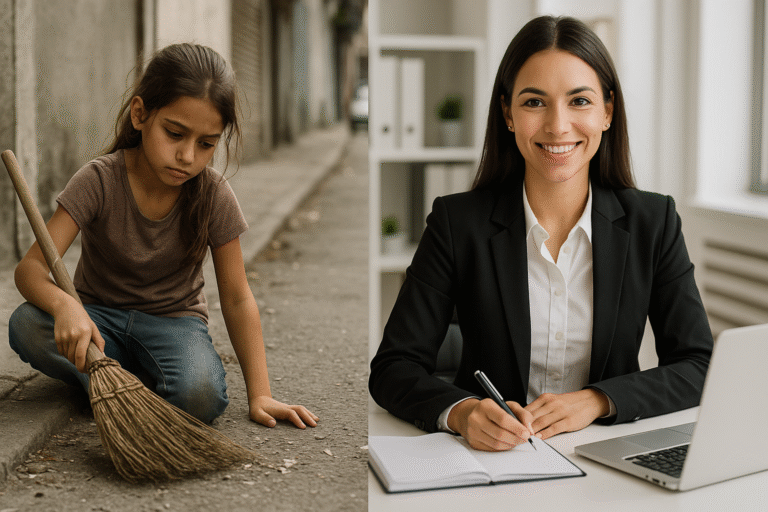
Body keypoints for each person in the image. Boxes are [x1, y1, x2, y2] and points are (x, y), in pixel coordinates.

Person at [369, 15, 713, 452]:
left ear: (607, 111)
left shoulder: (653, 221)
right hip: (490, 459)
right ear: (508, 113)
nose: (557, 125)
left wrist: (597, 401)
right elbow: (394, 367)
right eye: (534, 102)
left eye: (579, 102)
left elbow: (698, 364)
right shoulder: (457, 223)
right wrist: (462, 413)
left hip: (603, 455)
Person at [9, 43, 318, 429]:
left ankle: (115, 384)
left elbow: (238, 298)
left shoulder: (214, 196)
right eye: (175, 134)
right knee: (26, 325)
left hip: (174, 324)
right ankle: (127, 385)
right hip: (97, 320)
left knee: (200, 395)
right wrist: (63, 305)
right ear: (140, 114)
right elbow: (32, 268)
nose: (188, 155)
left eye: (206, 144)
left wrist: (261, 394)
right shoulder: (98, 181)